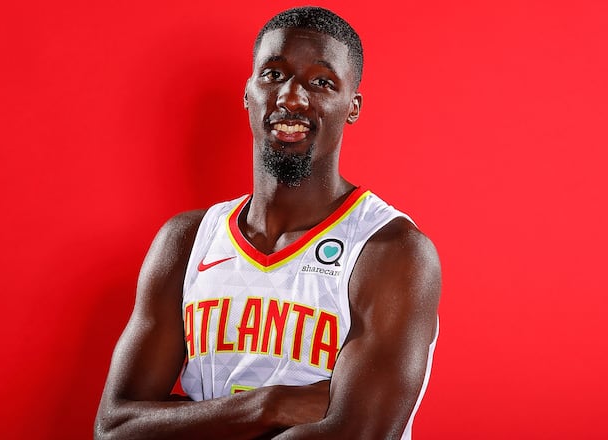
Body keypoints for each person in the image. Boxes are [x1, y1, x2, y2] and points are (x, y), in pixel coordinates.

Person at [95, 6, 441, 439]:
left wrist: (186, 421)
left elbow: (358, 434)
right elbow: (114, 428)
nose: (292, 98)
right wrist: (270, 405)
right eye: (273, 75)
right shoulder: (186, 242)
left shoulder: (390, 251)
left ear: (351, 107)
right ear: (247, 93)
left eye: (321, 82)